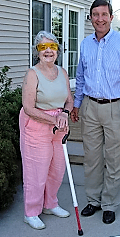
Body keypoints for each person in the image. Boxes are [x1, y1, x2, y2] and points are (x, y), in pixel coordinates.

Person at [70, 0, 120, 224]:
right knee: (91, 158)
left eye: (104, 14)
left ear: (111, 17)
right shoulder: (85, 44)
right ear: (90, 17)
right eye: (95, 14)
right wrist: (77, 103)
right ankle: (93, 200)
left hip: (117, 107)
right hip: (90, 107)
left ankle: (110, 203)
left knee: (115, 158)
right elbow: (81, 77)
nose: (99, 18)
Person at [19, 30, 73, 230]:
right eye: (43, 47)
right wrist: (53, 119)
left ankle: (50, 204)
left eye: (52, 46)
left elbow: (69, 99)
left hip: (58, 125)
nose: (48, 51)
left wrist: (65, 113)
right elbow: (28, 107)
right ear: (37, 51)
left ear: (57, 50)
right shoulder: (32, 74)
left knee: (56, 169)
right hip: (36, 124)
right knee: (37, 171)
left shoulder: (63, 72)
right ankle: (31, 212)